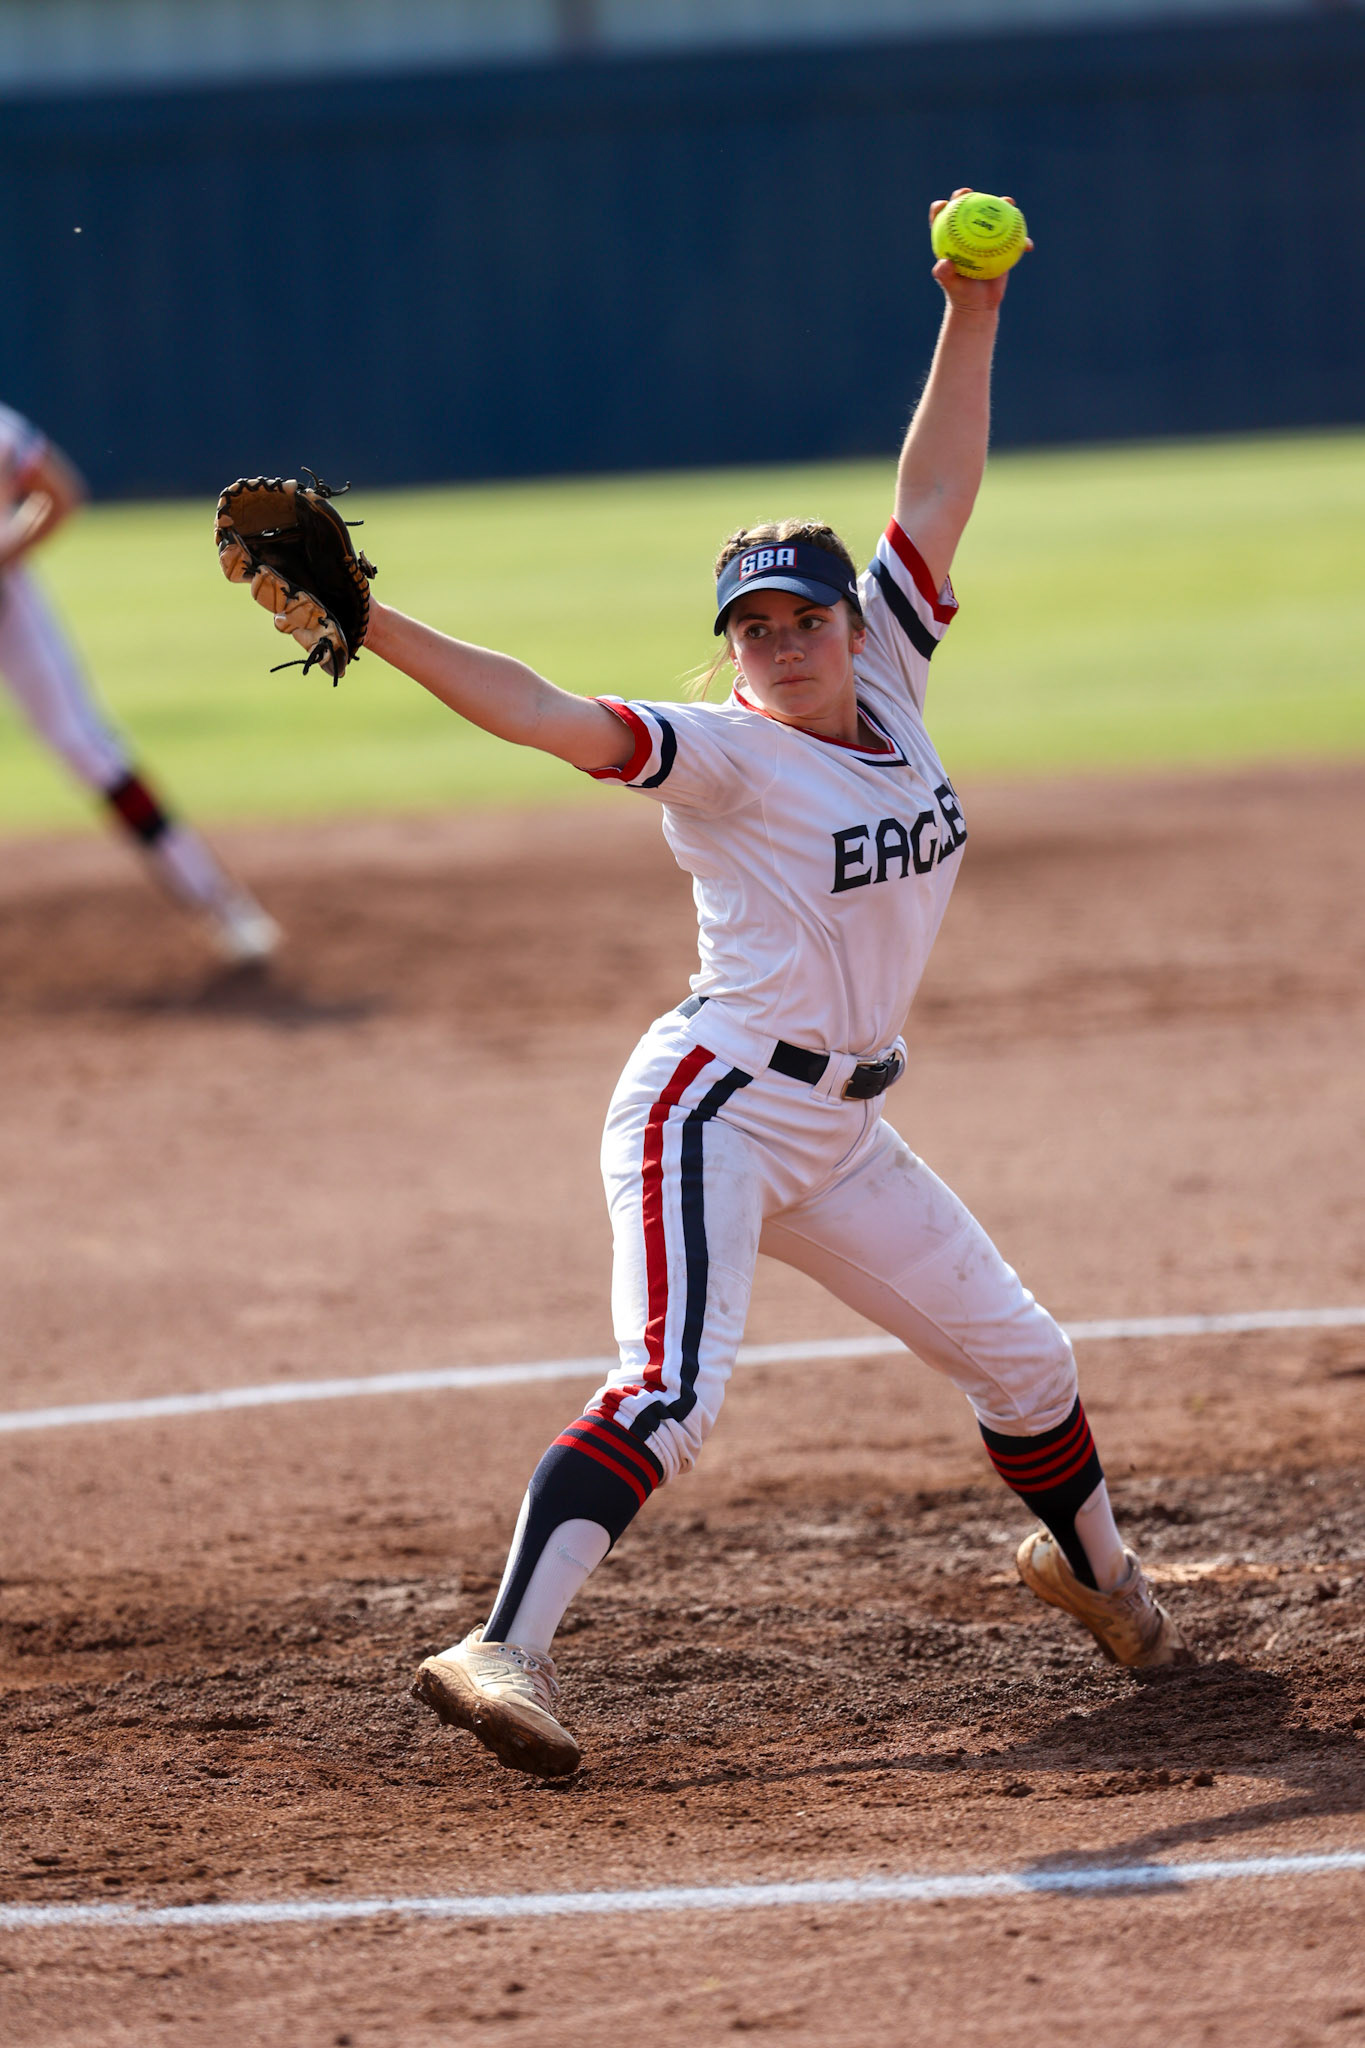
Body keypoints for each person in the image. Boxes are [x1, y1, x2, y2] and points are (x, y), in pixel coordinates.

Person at [353, 189, 1189, 1778]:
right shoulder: (723, 760)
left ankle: (1099, 1577)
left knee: (1025, 1364)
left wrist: (974, 305)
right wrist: (372, 619)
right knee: (671, 1391)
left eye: (804, 615)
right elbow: (542, 712)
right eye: (753, 627)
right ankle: (498, 1649)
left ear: (842, 623)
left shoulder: (890, 674)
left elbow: (935, 485)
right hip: (716, 1108)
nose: (784, 642)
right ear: (728, 652)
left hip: (844, 1129)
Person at [0, 403, 280, 963]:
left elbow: (59, 494)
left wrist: (4, 553)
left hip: (9, 605)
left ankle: (219, 902)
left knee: (88, 747)